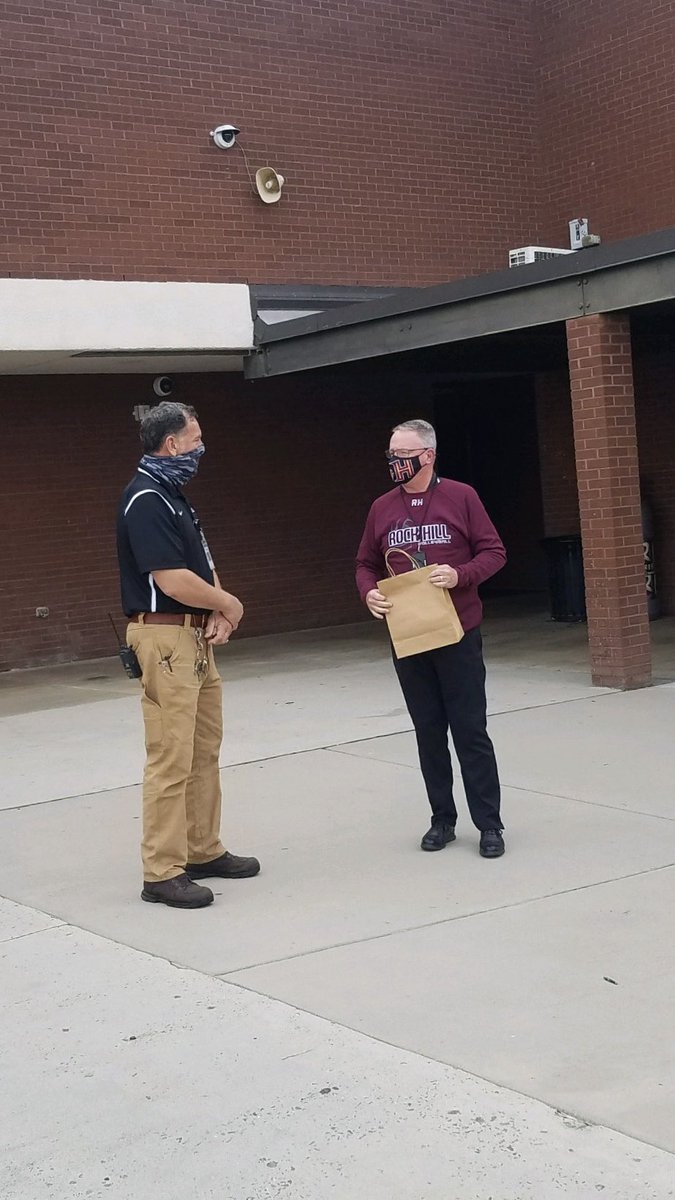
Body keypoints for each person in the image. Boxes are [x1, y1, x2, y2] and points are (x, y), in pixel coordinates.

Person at [116, 401, 260, 908]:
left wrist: (219, 610)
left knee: (203, 750)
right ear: (171, 444)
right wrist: (231, 604)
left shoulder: (174, 497)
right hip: (165, 640)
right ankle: (161, 870)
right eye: (195, 439)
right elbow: (170, 578)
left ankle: (202, 848)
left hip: (194, 638)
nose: (201, 448)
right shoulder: (147, 500)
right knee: (171, 756)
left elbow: (200, 565)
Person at [356, 419, 507, 858]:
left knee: (470, 730)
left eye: (402, 456)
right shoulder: (381, 508)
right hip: (408, 634)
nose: (394, 464)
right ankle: (442, 819)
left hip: (457, 630)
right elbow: (365, 562)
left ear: (428, 456)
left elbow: (494, 552)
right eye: (390, 456)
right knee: (428, 731)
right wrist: (368, 592)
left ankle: (490, 824)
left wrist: (460, 574)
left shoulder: (462, 497)